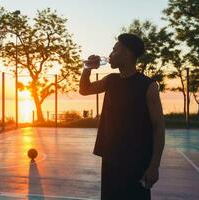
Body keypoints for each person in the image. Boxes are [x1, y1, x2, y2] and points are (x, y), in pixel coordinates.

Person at [79, 33, 165, 200]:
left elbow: (158, 127)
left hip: (137, 161)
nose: (110, 54)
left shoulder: (148, 86)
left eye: (114, 50)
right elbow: (84, 89)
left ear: (126, 54)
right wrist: (87, 68)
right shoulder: (111, 80)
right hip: (111, 157)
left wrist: (154, 166)